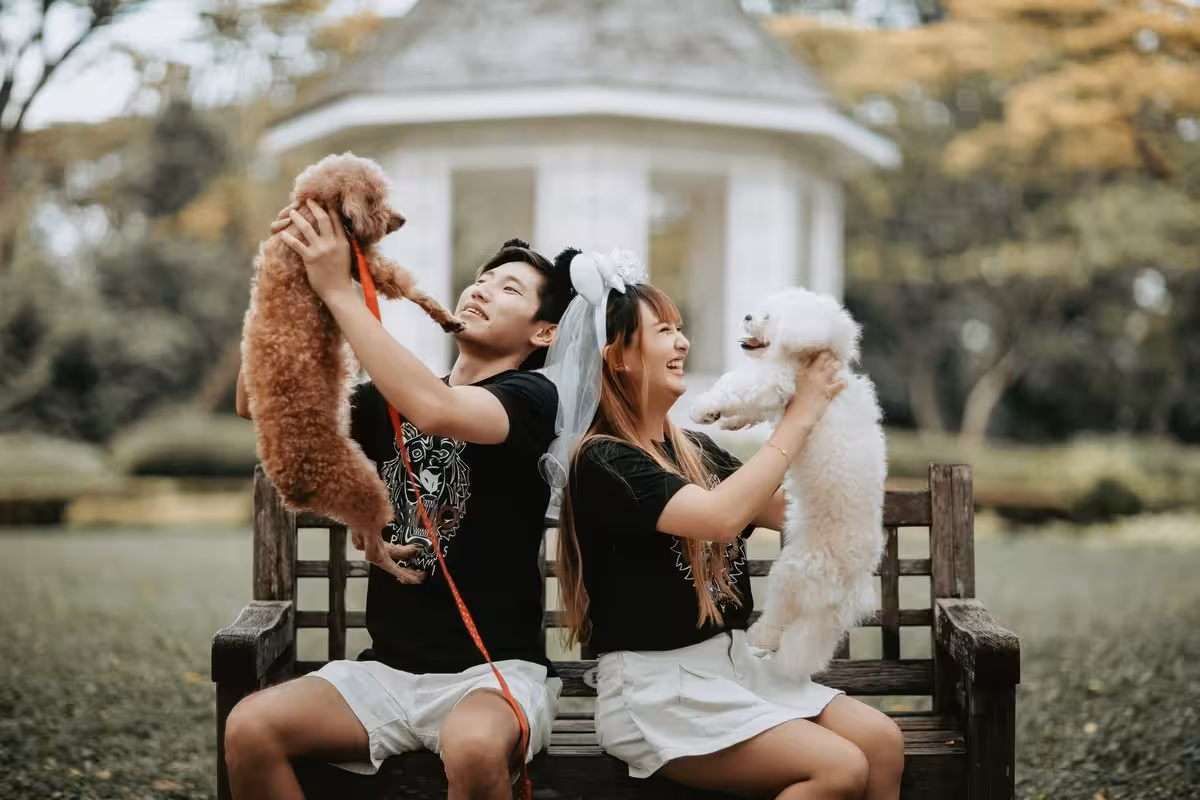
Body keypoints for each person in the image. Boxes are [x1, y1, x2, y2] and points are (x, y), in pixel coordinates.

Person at [227, 200, 575, 800]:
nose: (483, 289)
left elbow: (437, 411)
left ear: (543, 332)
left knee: (471, 748)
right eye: (482, 279)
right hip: (386, 672)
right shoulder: (389, 402)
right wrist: (288, 279)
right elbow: (257, 401)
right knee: (250, 728)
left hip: (492, 679)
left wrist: (342, 293)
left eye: (509, 287)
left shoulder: (533, 398)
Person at [543, 249, 905, 799]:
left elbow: (789, 511)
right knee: (837, 769)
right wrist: (799, 414)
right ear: (618, 357)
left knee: (880, 742)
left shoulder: (697, 450)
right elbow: (719, 519)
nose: (682, 343)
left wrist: (833, 425)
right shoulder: (603, 462)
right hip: (658, 691)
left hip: (737, 668)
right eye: (665, 331)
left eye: (680, 329)